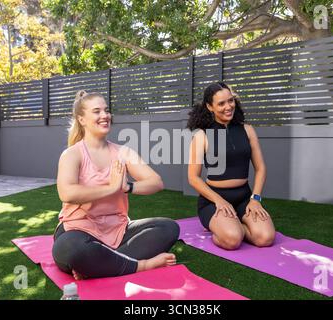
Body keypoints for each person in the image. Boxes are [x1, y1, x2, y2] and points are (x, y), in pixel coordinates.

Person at [53, 90, 180, 280]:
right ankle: (142, 265)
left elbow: (156, 182)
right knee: (73, 248)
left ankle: (98, 265)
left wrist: (127, 187)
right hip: (79, 231)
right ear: (82, 119)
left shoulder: (123, 152)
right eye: (97, 111)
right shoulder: (72, 154)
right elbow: (67, 193)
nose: (105, 116)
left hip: (118, 231)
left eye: (106, 110)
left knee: (169, 228)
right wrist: (111, 188)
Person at [187, 82, 275, 250]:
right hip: (213, 200)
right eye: (221, 103)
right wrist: (219, 201)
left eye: (230, 101)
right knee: (232, 240)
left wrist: (255, 199)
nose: (228, 106)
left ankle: (234, 226)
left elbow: (261, 168)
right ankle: (226, 229)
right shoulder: (201, 135)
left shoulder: (247, 130)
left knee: (266, 238)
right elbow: (193, 177)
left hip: (244, 197)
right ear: (209, 107)